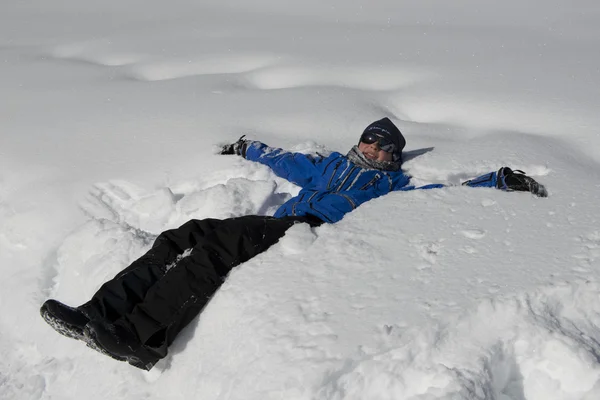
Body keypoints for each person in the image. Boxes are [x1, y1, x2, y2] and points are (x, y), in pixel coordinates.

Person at [40, 117, 547, 370]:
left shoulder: (389, 187)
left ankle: (143, 338)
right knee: (183, 235)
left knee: (218, 248)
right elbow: (284, 161)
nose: (372, 148)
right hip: (275, 223)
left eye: (383, 146)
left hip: (303, 230)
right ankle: (99, 313)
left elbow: (443, 192)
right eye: (369, 139)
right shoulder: (331, 164)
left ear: (394, 156)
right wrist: (247, 147)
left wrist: (496, 180)